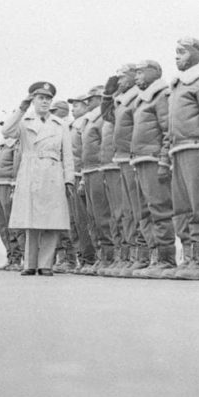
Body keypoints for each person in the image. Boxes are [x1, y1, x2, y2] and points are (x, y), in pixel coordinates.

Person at [2, 82, 75, 276]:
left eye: (48, 99)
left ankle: (46, 264)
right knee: (31, 220)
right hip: (30, 171)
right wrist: (21, 107)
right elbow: (7, 131)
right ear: (33, 100)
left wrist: (69, 179)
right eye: (40, 98)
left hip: (52, 173)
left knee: (52, 221)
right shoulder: (25, 122)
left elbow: (67, 154)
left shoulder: (60, 125)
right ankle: (30, 264)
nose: (44, 102)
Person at [163, 37, 199, 280]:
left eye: (182, 52)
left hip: (195, 149)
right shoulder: (177, 87)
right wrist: (166, 155)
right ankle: (188, 257)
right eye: (176, 52)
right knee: (181, 209)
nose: (177, 56)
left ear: (196, 54)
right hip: (178, 150)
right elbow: (169, 127)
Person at [103, 64, 153, 277]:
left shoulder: (136, 98)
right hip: (122, 158)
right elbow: (108, 115)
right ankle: (132, 255)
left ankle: (142, 256)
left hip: (132, 157)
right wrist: (108, 93)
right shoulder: (122, 101)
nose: (120, 81)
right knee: (127, 211)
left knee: (137, 209)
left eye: (123, 77)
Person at [130, 60, 176, 278]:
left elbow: (168, 131)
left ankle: (166, 259)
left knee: (160, 210)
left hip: (153, 159)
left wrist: (164, 160)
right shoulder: (143, 99)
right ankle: (154, 255)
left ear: (153, 73)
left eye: (140, 72)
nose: (136, 77)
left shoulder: (161, 96)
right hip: (140, 160)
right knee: (145, 212)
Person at [79, 86, 116, 275]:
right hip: (89, 170)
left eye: (91, 99)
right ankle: (102, 256)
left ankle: (109, 257)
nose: (87, 102)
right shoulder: (89, 120)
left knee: (103, 216)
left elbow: (105, 144)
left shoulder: (101, 117)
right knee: (93, 217)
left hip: (98, 170)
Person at [68, 93, 98, 273]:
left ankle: (90, 258)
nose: (73, 109)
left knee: (86, 220)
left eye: (77, 105)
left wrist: (81, 176)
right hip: (74, 175)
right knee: (77, 222)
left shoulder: (84, 123)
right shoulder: (73, 126)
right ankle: (83, 258)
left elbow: (85, 152)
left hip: (81, 174)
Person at [0, 132, 24, 271]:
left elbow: (16, 168)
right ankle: (11, 257)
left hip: (8, 185)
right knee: (2, 224)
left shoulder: (16, 144)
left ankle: (18, 258)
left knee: (12, 224)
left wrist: (14, 186)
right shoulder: (3, 146)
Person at [48, 100, 76, 273]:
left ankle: (69, 259)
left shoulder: (66, 128)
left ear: (63, 112)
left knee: (67, 221)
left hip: (64, 178)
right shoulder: (53, 129)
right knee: (54, 221)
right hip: (53, 179)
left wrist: (69, 180)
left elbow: (69, 157)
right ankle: (59, 257)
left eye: (54, 110)